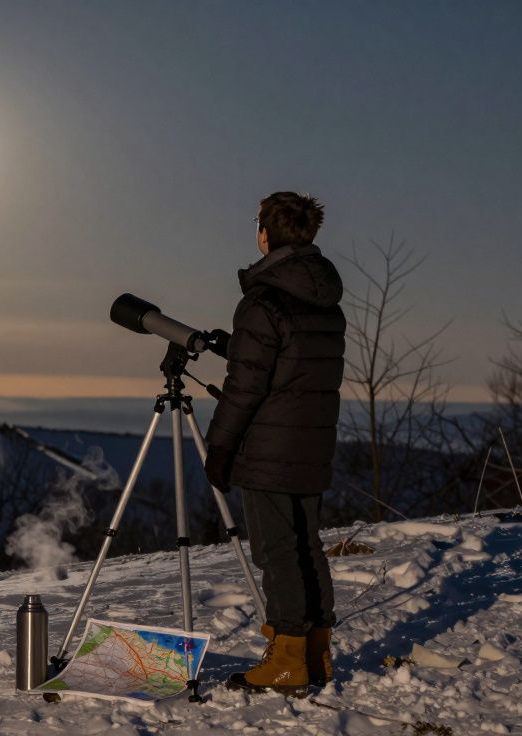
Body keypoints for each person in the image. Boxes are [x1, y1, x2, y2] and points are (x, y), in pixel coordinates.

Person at [204, 191, 345, 695]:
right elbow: (294, 370)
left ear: (264, 232)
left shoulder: (263, 301)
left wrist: (219, 448)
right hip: (312, 442)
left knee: (277, 551)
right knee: (306, 546)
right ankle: (315, 653)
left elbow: (246, 387)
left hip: (268, 449)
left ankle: (287, 658)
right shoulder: (326, 300)